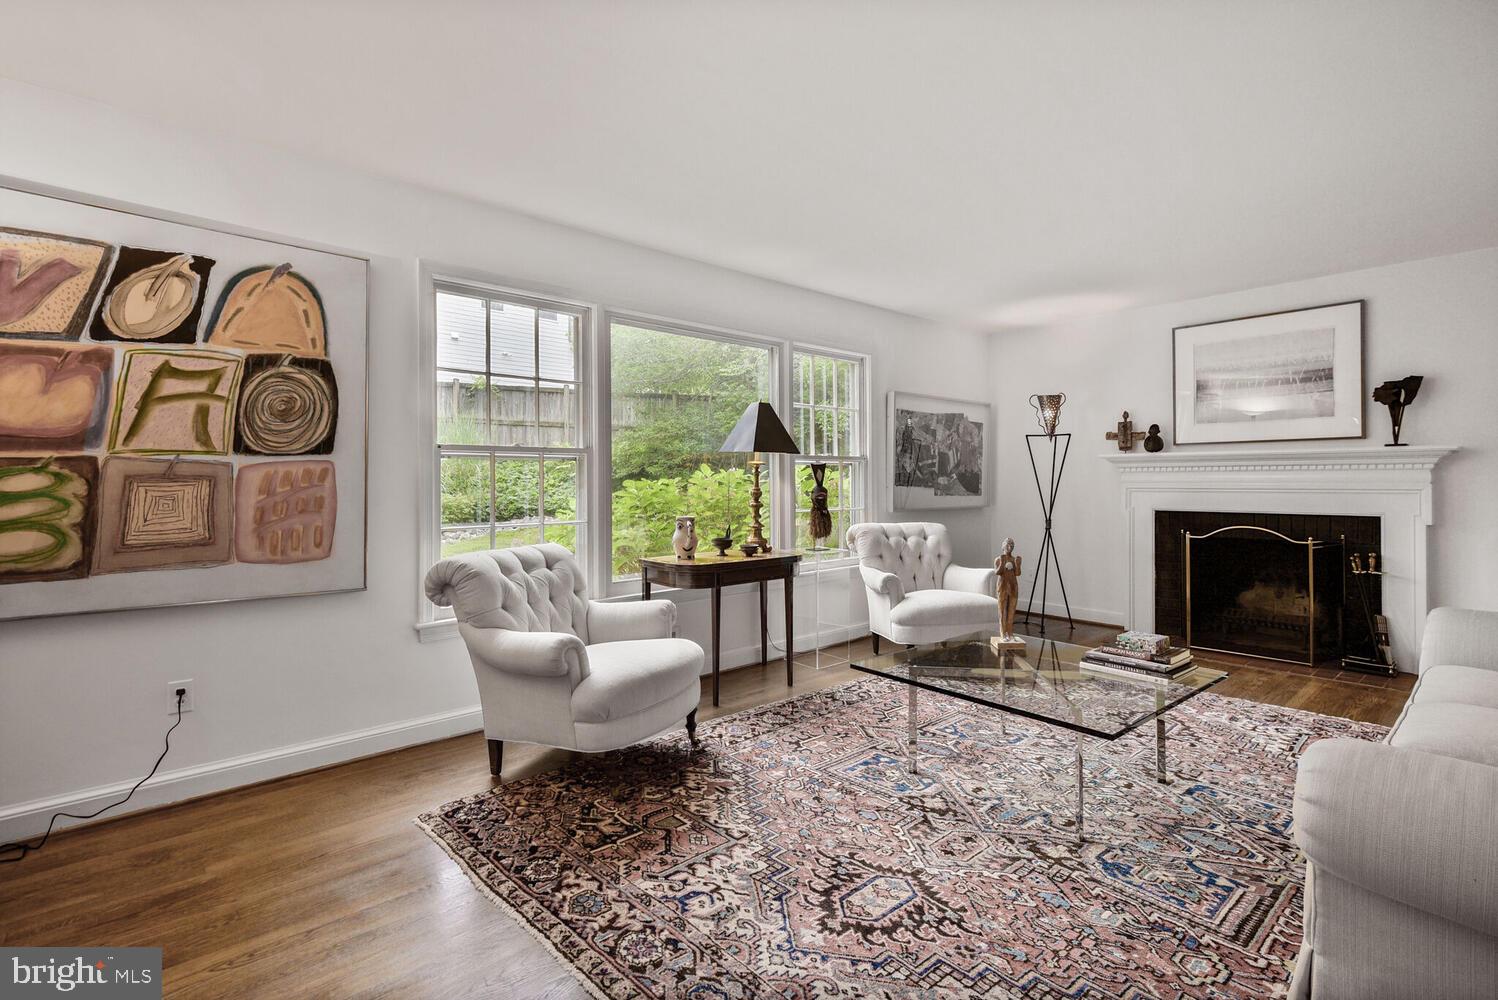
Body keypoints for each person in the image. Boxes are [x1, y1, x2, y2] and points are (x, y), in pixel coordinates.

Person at [994, 537, 1021, 640]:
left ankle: (1010, 632)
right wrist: (1002, 563)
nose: (1010, 547)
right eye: (1008, 545)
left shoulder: (1014, 559)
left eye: (1012, 545)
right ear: (1003, 546)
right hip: (1002, 586)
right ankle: (1002, 632)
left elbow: (1017, 573)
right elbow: (997, 572)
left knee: (1011, 610)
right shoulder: (998, 559)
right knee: (1002, 610)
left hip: (1013, 586)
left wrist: (1017, 565)